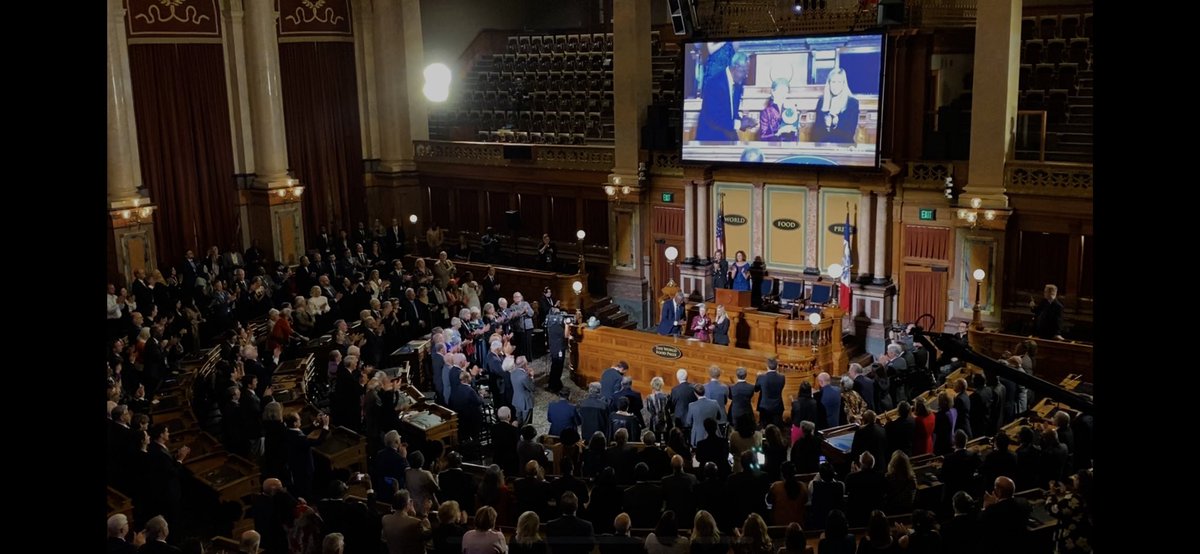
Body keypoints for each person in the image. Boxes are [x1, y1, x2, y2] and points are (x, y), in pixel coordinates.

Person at [695, 51, 755, 141]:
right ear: (735, 68)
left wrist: (744, 121)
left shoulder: (738, 85)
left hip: (727, 135)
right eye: (744, 71)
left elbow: (731, 114)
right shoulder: (715, 83)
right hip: (710, 138)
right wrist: (739, 124)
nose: (746, 76)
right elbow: (714, 118)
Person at [810, 68, 860, 144]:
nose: (836, 86)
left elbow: (849, 134)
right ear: (829, 84)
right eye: (833, 82)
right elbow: (816, 134)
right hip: (823, 147)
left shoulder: (852, 103)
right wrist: (827, 126)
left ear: (844, 84)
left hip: (843, 148)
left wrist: (835, 124)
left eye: (839, 82)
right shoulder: (822, 102)